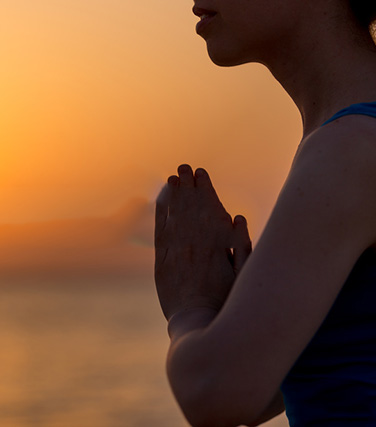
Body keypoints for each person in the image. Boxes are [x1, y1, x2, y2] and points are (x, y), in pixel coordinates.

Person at [154, 1, 376, 426]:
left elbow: (217, 392)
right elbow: (289, 385)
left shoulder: (350, 148)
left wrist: (190, 304)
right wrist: (242, 313)